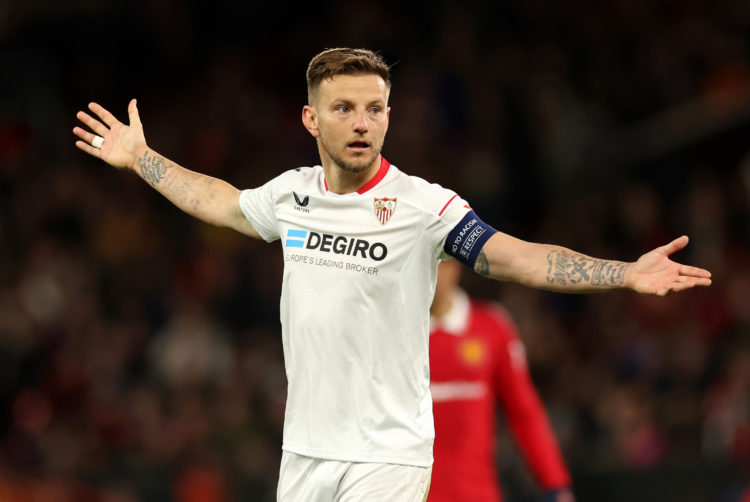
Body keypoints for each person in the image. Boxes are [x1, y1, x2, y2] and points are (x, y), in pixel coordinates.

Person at [72, 48, 711, 502]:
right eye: (344, 107)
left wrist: (623, 273)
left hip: (388, 456)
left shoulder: (424, 206)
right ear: (310, 119)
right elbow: (217, 200)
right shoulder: (291, 196)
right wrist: (142, 159)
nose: (361, 122)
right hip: (305, 451)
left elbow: (514, 256)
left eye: (375, 108)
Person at [429, 258, 574, 502]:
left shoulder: (491, 326)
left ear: (455, 266)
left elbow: (524, 412)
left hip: (478, 495)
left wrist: (556, 485)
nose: (430, 272)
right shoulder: (392, 332)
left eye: (438, 262)